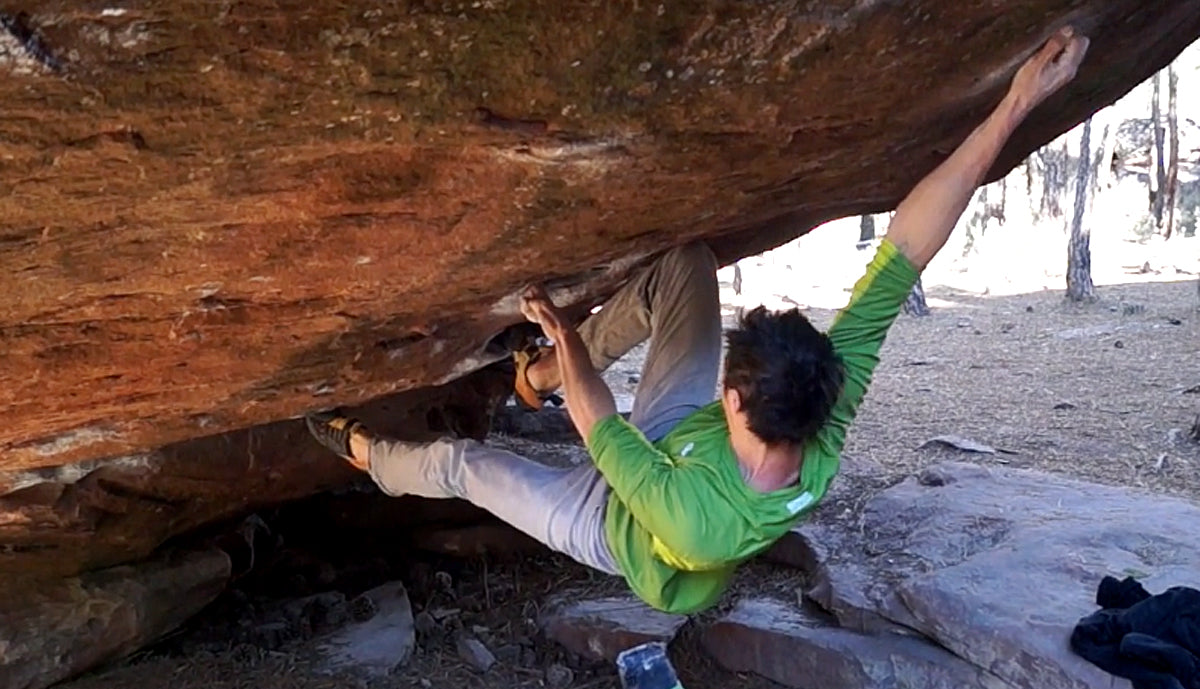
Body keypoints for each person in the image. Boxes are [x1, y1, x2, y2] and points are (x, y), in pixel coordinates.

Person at [307, 29, 1089, 614]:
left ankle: (363, 450)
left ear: (738, 402)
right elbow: (910, 246)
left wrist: (565, 333)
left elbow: (600, 422)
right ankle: (532, 378)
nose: (724, 379)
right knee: (685, 267)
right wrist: (1017, 101)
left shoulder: (701, 523)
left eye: (730, 381)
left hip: (616, 522)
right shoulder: (825, 401)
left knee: (466, 467)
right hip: (678, 443)